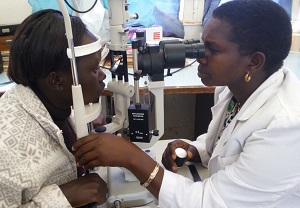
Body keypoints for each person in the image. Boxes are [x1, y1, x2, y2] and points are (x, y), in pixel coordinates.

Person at [72, 0, 300, 207]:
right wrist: (197, 150)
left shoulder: (285, 125)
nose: (199, 55)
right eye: (201, 44)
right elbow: (232, 141)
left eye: (213, 49)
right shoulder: (232, 89)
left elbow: (210, 203)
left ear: (254, 61)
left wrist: (131, 157)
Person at [0, 9, 108, 207]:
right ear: (57, 80)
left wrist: (81, 125)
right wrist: (63, 198)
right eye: (94, 69)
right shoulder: (6, 150)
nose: (102, 76)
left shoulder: (52, 100)